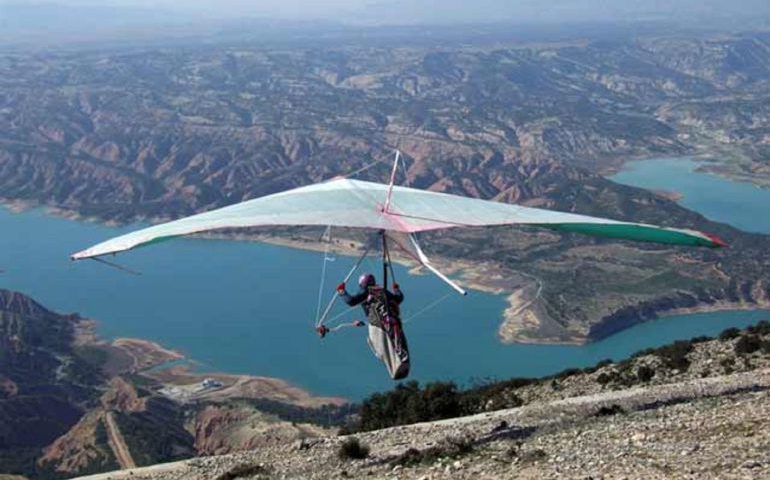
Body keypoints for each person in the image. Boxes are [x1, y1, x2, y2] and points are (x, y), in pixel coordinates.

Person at [336, 273, 410, 380]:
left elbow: (351, 301)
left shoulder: (365, 291)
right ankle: (400, 362)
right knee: (396, 342)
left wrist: (341, 292)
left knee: (379, 347)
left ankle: (396, 365)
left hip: (378, 324)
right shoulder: (381, 289)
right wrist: (396, 289)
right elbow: (399, 298)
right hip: (392, 321)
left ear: (362, 284)